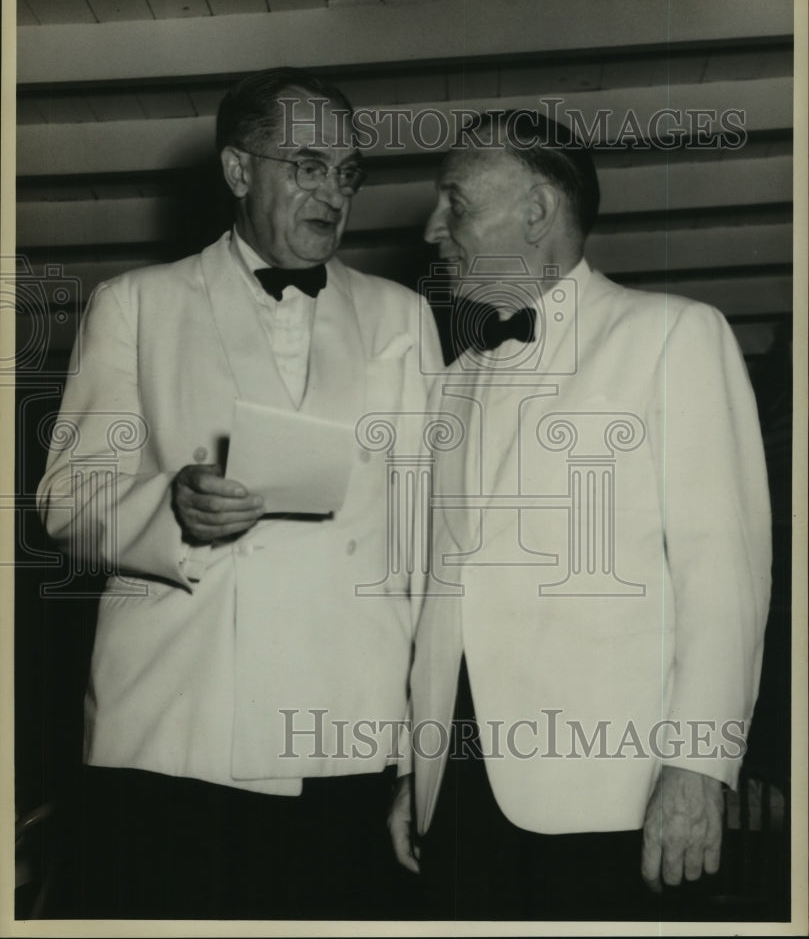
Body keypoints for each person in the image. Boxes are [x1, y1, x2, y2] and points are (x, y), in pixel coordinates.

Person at [36, 67, 442, 920]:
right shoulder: (135, 306)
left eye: (347, 172)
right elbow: (68, 503)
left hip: (348, 725)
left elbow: (425, 535)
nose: (332, 192)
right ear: (236, 171)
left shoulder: (404, 317)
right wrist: (168, 509)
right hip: (180, 725)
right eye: (305, 165)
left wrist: (422, 735)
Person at [388, 110, 772, 920]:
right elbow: (437, 593)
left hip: (613, 796)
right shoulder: (448, 382)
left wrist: (698, 766)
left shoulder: (671, 336)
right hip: (455, 792)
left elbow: (722, 577)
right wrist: (409, 770)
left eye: (454, 203)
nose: (432, 229)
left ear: (536, 211)